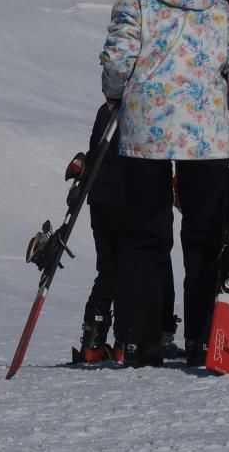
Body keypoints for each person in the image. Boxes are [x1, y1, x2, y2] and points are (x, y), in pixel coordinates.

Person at [97, 0, 229, 366]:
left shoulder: (135, 0)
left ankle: (140, 341)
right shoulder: (217, 2)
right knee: (205, 238)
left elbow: (117, 61)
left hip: (144, 133)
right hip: (207, 135)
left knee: (144, 239)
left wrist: (115, 96)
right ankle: (205, 340)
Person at [65, 104, 181, 363]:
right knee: (138, 266)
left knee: (108, 269)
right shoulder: (149, 103)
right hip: (133, 197)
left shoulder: (107, 109)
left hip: (101, 196)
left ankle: (93, 341)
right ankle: (129, 339)